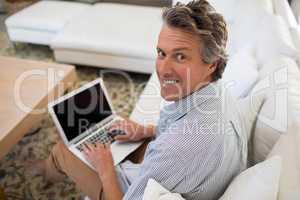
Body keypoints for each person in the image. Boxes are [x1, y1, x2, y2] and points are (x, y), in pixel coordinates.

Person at [27, 1, 247, 200]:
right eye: (161, 53)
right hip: (178, 174)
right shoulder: (219, 95)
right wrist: (146, 131)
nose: (163, 69)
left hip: (132, 190)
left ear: (212, 64)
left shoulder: (179, 148)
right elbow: (180, 138)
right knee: (115, 128)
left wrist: (105, 168)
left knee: (62, 149)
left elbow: (177, 150)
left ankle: (48, 170)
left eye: (180, 56)